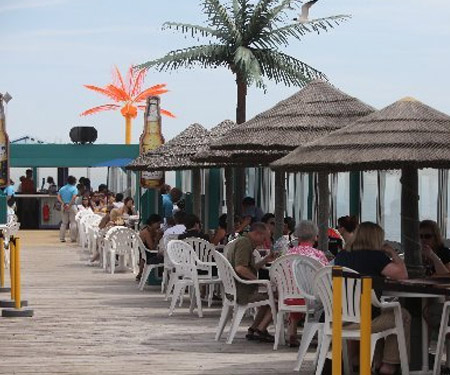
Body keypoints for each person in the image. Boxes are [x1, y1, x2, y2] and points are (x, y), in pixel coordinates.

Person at [334, 222, 409, 375]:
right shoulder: (376, 257)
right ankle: (388, 365)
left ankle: (372, 360)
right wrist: (392, 253)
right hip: (365, 322)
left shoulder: (341, 256)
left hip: (339, 320)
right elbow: (402, 274)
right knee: (402, 315)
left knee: (379, 311)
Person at [226, 222, 276, 343]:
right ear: (257, 234)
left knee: (269, 297)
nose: (264, 242)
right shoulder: (244, 243)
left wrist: (265, 260)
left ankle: (254, 329)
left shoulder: (243, 242)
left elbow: (248, 267)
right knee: (277, 298)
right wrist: (257, 281)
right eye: (264, 238)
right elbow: (240, 268)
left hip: (236, 289)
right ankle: (261, 330)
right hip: (242, 291)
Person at [285, 220, 329, 347]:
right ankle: (318, 331)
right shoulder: (318, 255)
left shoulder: (288, 253)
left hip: (289, 297)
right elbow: (324, 276)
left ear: (297, 236)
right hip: (311, 298)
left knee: (298, 289)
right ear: (315, 236)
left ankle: (292, 330)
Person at [136, 214, 163, 282]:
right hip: (149, 255)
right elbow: (151, 248)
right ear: (152, 223)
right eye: (158, 223)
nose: (159, 226)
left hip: (145, 255)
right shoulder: (146, 232)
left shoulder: (150, 230)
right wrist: (157, 238)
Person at [57, 176, 78, 243]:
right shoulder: (74, 188)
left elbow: (58, 196)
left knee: (64, 222)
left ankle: (62, 238)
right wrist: (69, 204)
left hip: (64, 205)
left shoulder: (62, 188)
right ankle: (73, 238)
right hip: (72, 206)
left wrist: (63, 203)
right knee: (73, 222)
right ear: (74, 182)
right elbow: (74, 197)